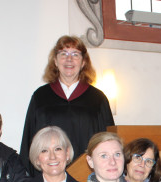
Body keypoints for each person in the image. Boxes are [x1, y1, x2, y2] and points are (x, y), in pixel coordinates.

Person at [20, 35, 114, 172]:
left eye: (75, 54)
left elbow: (108, 142)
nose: (69, 59)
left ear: (83, 62)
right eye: (63, 53)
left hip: (87, 177)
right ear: (55, 61)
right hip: (48, 174)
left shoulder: (97, 99)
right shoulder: (41, 97)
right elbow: (29, 140)